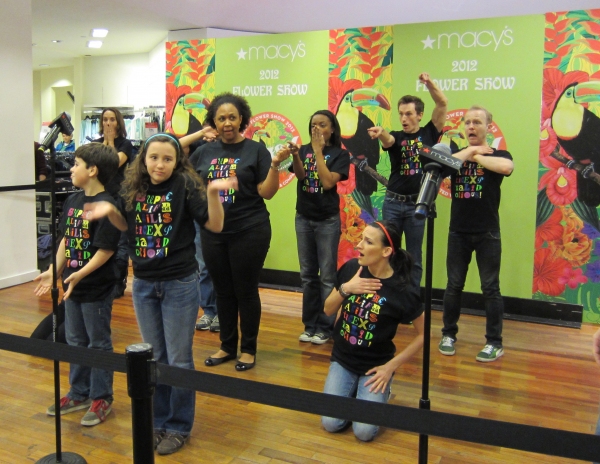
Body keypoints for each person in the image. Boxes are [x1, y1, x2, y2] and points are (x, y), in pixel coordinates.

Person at [86, 133, 237, 455]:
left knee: (179, 359)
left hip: (179, 284)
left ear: (177, 161)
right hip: (143, 284)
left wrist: (212, 193)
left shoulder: (184, 185)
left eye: (167, 159)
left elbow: (215, 225)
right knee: (153, 359)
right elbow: (126, 226)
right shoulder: (133, 186)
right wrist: (107, 212)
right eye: (154, 157)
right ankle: (158, 422)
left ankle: (179, 426)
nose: (160, 164)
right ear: (145, 158)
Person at [189, 92, 288, 372]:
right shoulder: (203, 152)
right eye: (221, 118)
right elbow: (192, 187)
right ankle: (227, 345)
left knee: (245, 290)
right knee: (222, 291)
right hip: (213, 232)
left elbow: (266, 193)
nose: (227, 123)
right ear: (214, 123)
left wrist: (276, 165)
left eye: (232, 117)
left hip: (250, 229)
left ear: (242, 119)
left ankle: (249, 349)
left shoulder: (255, 150)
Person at [33, 143, 121, 427]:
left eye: (76, 164)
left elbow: (105, 250)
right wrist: (52, 271)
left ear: (92, 170)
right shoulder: (72, 201)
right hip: (72, 287)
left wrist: (80, 274)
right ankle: (79, 392)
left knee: (98, 344)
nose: (71, 169)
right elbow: (64, 241)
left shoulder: (108, 204)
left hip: (95, 288)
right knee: (75, 341)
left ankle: (102, 397)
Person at [321, 220, 424, 441]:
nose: (359, 245)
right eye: (361, 239)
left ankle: (374, 394)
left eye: (368, 242)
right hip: (343, 360)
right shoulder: (352, 269)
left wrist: (389, 367)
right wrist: (346, 289)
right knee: (331, 423)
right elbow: (329, 309)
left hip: (375, 366)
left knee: (364, 432)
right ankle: (354, 394)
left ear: (386, 251)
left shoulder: (403, 289)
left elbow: (424, 335)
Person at [438, 106, 514, 362]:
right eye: (467, 122)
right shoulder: (455, 154)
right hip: (458, 231)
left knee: (490, 288)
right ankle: (448, 335)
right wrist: (469, 151)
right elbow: (441, 167)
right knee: (453, 287)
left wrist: (476, 156)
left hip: (488, 233)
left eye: (477, 122)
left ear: (488, 127)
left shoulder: (498, 153)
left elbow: (506, 167)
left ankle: (494, 342)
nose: (471, 126)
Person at [367, 72, 448, 289]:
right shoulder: (396, 136)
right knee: (389, 252)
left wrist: (429, 82)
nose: (404, 118)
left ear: (420, 115)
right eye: (401, 114)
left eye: (409, 114)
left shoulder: (430, 133)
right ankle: (392, 296)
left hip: (417, 205)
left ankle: (411, 301)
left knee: (414, 256)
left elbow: (442, 103)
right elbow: (389, 140)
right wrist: (381, 132)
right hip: (393, 203)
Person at [281, 110, 349, 345]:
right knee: (308, 276)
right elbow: (300, 176)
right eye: (313, 125)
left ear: (332, 129)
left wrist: (319, 152)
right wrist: (297, 156)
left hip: (327, 220)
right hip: (304, 218)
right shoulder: (304, 149)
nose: (316, 129)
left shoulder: (339, 154)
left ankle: (325, 326)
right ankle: (310, 325)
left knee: (327, 277)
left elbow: (328, 182)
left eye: (322, 124)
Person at [95, 108, 134, 298]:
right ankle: (103, 279)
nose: (108, 123)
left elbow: (112, 164)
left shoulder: (125, 144)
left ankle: (119, 281)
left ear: (118, 122)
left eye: (112, 119)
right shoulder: (94, 144)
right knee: (100, 239)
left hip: (118, 197)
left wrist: (110, 142)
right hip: (98, 197)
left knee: (120, 243)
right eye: (105, 119)